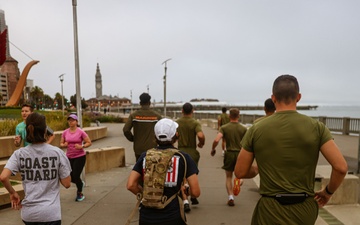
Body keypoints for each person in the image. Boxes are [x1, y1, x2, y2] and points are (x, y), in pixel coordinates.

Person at [234, 74, 348, 225]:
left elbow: (240, 172)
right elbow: (341, 167)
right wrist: (327, 192)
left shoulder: (256, 129)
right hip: (304, 208)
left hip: (270, 209)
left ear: (273, 98)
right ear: (299, 97)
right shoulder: (317, 128)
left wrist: (256, 169)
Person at [0, 112, 71, 225]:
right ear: (44, 131)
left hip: (29, 214)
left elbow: (3, 177)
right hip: (51, 214)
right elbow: (67, 183)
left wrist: (13, 193)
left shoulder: (19, 154)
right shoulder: (57, 153)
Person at [126, 118, 200, 225]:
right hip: (172, 216)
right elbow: (196, 192)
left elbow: (130, 185)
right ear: (176, 136)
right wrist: (186, 191)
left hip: (147, 217)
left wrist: (147, 195)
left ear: (155, 137)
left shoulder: (145, 156)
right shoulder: (183, 158)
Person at [211, 108, 247, 206]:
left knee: (228, 177)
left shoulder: (224, 127)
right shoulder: (243, 128)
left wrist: (213, 149)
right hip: (240, 154)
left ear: (229, 116)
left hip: (229, 153)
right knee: (240, 175)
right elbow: (248, 143)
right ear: (238, 116)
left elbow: (217, 139)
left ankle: (230, 197)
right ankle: (239, 182)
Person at [176, 102, 205, 212]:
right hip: (192, 152)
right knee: (192, 175)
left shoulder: (177, 123)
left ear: (182, 111)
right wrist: (201, 143)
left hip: (181, 151)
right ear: (192, 111)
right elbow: (200, 135)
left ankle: (185, 201)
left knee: (182, 178)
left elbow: (175, 135)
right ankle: (193, 196)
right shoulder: (195, 123)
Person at [60, 114, 92, 202]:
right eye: (69, 120)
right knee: (69, 176)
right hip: (69, 157)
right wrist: (64, 145)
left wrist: (82, 146)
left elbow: (89, 142)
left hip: (80, 156)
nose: (71, 122)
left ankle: (79, 192)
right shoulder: (65, 132)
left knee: (76, 175)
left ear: (76, 122)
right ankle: (80, 183)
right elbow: (61, 144)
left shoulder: (80, 132)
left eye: (73, 120)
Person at [123, 92, 162, 161]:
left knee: (139, 169)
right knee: (151, 168)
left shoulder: (134, 115)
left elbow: (126, 129)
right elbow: (163, 130)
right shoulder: (157, 116)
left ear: (140, 103)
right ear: (149, 103)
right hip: (152, 148)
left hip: (138, 148)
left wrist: (133, 138)